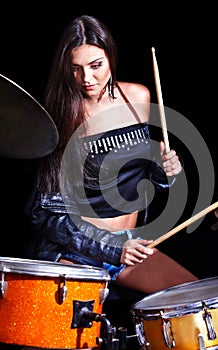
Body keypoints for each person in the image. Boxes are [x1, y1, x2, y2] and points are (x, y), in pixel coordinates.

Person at [25, 14, 198, 296]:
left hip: (131, 246)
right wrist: (110, 248)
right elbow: (42, 213)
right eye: (75, 69)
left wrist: (165, 171)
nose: (87, 78)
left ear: (111, 58)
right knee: (75, 335)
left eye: (96, 66)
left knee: (195, 297)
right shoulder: (61, 118)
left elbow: (137, 175)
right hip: (79, 251)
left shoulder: (137, 97)